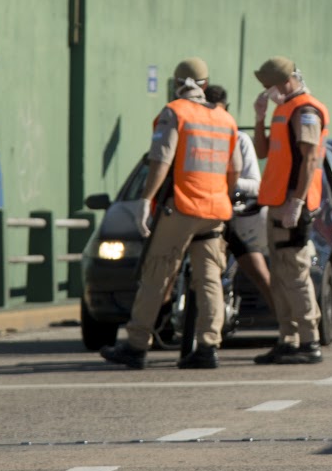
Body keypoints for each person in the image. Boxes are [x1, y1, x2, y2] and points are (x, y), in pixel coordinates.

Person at [101, 59, 240, 370]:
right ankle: (207, 347)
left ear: (177, 83)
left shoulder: (175, 112)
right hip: (215, 211)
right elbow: (235, 170)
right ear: (205, 84)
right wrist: (221, 197)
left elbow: (160, 160)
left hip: (183, 207)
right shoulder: (225, 119)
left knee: (157, 273)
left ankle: (137, 345)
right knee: (209, 279)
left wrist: (145, 200)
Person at [251, 56, 329, 365]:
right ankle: (288, 338)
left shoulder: (305, 110)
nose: (267, 92)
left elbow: (309, 159)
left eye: (269, 86)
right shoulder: (283, 110)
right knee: (280, 276)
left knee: (295, 275)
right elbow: (262, 152)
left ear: (285, 82)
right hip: (276, 204)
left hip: (292, 205)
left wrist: (297, 201)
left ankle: (309, 341)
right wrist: (259, 118)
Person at [204, 84, 271, 320]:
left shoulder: (239, 139)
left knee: (259, 272)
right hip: (198, 214)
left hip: (230, 215)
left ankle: (286, 324)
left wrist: (226, 184)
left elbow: (255, 185)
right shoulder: (195, 136)